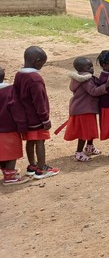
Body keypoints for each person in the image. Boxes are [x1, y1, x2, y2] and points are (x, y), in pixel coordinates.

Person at [14, 46, 60, 179]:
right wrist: (45, 118)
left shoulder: (19, 75)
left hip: (25, 117)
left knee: (30, 141)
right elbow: (39, 101)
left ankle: (32, 165)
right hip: (37, 118)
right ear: (37, 61)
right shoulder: (35, 79)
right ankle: (42, 168)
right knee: (40, 141)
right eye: (42, 63)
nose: (42, 66)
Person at [63, 56, 109, 162]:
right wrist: (107, 85)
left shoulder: (84, 77)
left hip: (86, 109)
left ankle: (89, 147)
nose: (92, 69)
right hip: (84, 109)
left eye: (91, 66)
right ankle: (78, 153)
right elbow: (93, 91)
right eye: (89, 67)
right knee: (84, 132)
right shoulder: (85, 79)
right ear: (81, 69)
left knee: (90, 130)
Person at [0, 66, 30, 185]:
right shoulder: (10, 91)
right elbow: (16, 109)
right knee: (12, 151)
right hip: (9, 128)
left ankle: (5, 169)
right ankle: (10, 175)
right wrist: (22, 126)